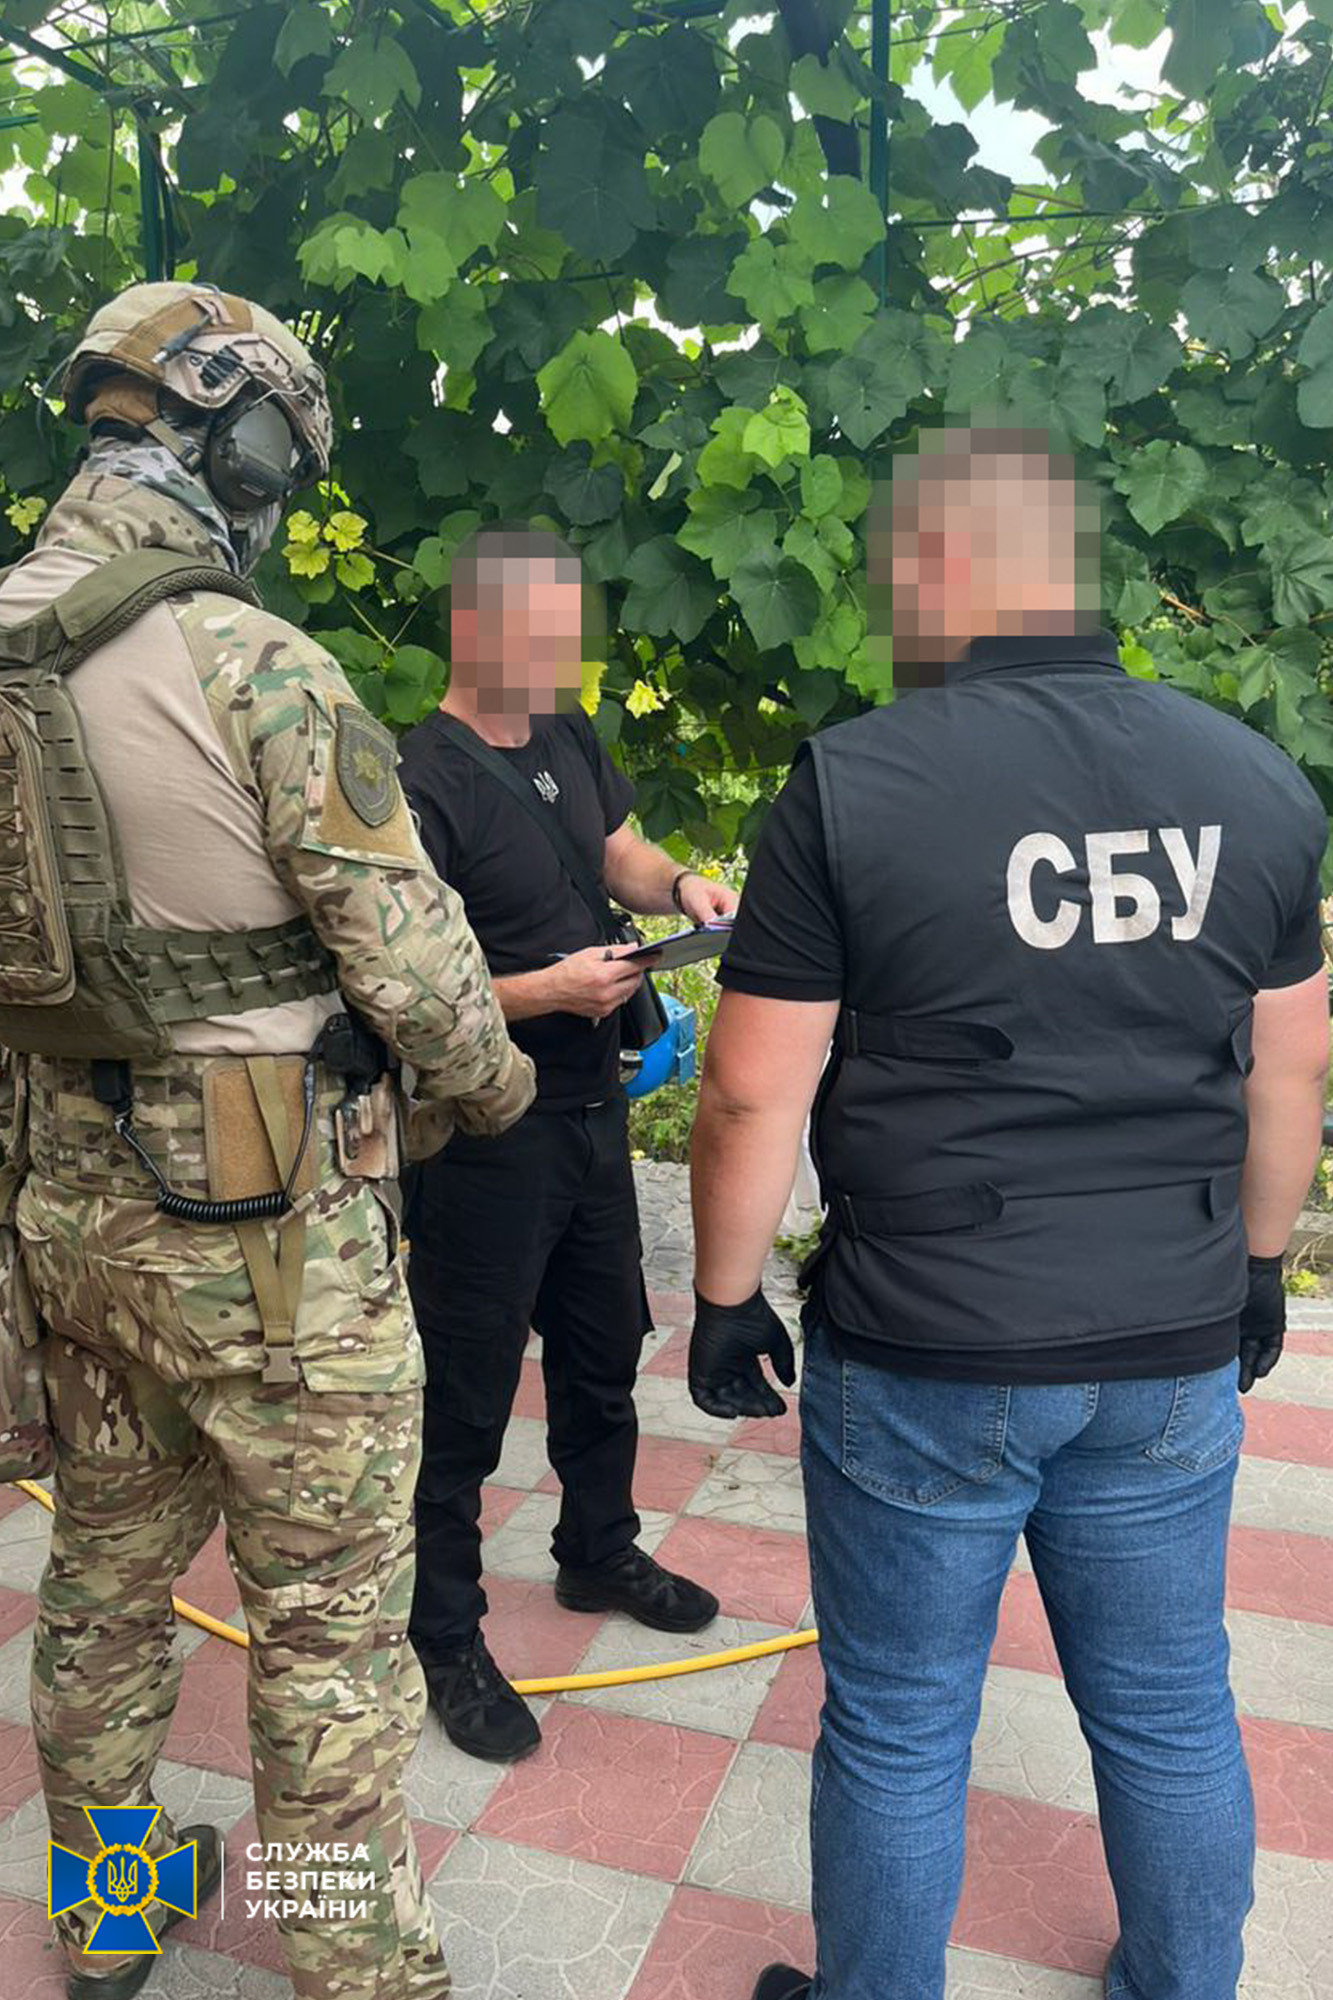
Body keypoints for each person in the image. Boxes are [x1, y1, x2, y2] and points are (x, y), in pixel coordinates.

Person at [686, 425, 1329, 2000]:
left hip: (930, 1345)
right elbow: (1289, 1068)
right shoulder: (1252, 781)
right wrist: (1260, 1268)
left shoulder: (855, 784)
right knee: (1168, 1702)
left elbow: (756, 1091)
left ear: (948, 566)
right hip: (1167, 1336)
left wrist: (722, 1296)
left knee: (901, 1719)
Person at [0, 281, 534, 2000]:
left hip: (68, 1229)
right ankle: (350, 1959)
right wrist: (493, 1092)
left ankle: (109, 1911)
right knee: (325, 1635)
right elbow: (420, 976)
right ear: (240, 445)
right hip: (275, 1250)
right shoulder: (255, 664)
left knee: (102, 1586)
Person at [397, 523, 738, 1762]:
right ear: (478, 627)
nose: (564, 651)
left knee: (602, 1357)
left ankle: (597, 1550)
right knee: (466, 1393)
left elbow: (615, 850)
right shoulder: (413, 780)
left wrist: (682, 888)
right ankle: (444, 1632)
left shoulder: (564, 732)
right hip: (483, 1132)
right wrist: (547, 991)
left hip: (593, 1114)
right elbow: (401, 986)